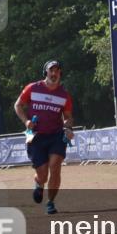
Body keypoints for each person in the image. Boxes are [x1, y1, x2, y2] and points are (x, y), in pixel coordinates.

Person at [15, 60, 74, 214]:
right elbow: (18, 105)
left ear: (60, 73)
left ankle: (51, 202)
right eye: (51, 71)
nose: (54, 74)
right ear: (45, 72)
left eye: (57, 71)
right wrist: (26, 121)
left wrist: (68, 127)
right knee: (42, 174)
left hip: (56, 135)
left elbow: (68, 117)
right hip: (36, 136)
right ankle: (39, 184)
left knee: (55, 167)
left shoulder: (64, 95)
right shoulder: (33, 88)